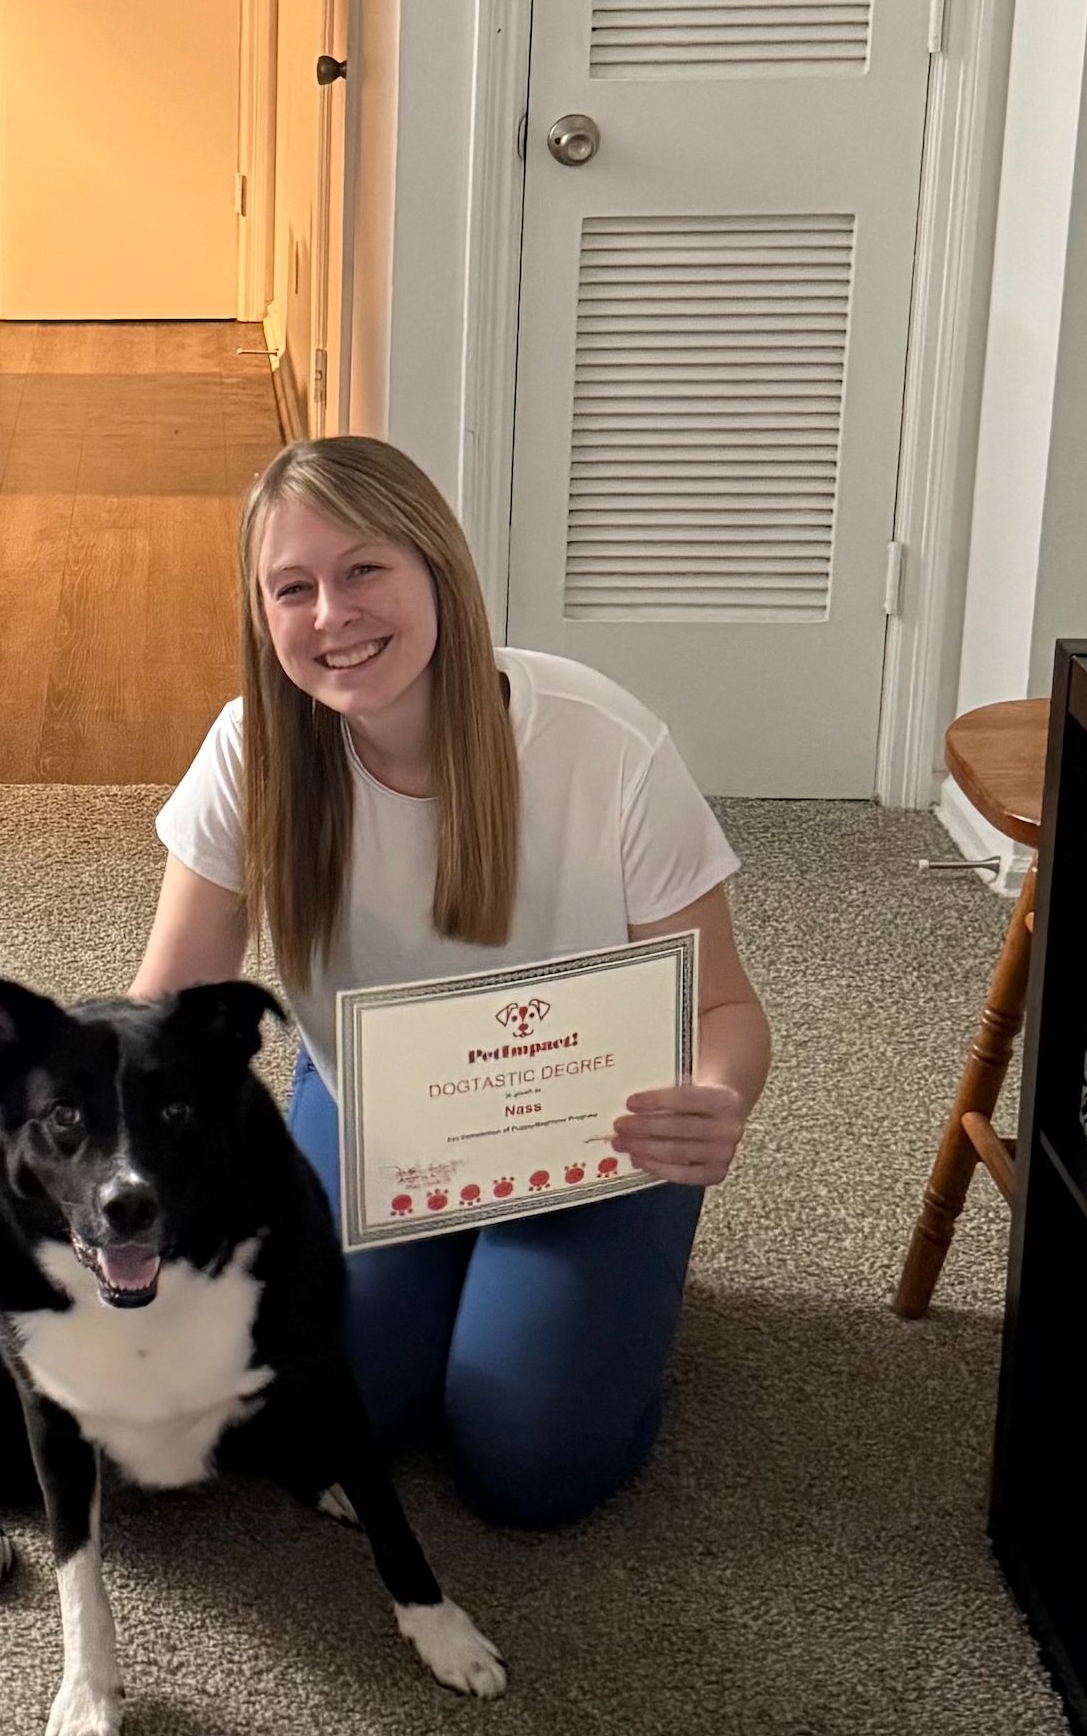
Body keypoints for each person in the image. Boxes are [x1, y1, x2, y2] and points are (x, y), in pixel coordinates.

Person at [129, 436, 771, 1530]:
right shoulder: (252, 752)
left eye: (364, 568)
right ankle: (468, 1296)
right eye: (294, 586)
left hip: (595, 1128)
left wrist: (719, 1097)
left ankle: (607, 1299)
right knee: (321, 1413)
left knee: (526, 1467)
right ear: (261, 612)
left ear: (437, 566)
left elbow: (724, 1010)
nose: (333, 612)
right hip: (383, 1105)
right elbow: (166, 1020)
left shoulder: (603, 746)